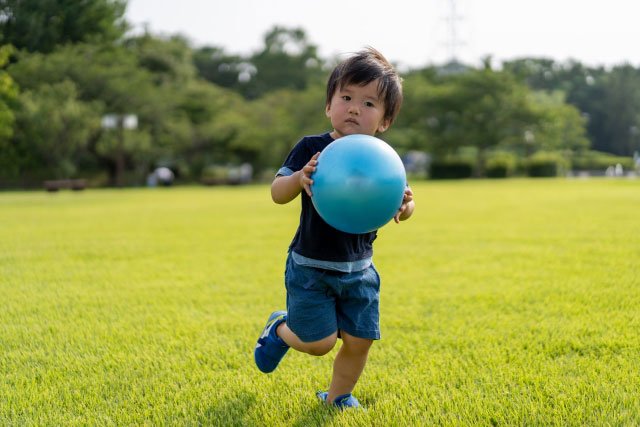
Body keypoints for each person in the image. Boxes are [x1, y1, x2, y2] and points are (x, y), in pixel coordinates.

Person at [253, 47, 415, 410]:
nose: (355, 108)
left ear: (385, 121)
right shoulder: (312, 148)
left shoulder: (382, 159)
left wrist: (406, 205)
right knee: (319, 343)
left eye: (369, 103)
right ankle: (280, 328)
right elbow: (278, 193)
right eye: (346, 97)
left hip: (360, 271)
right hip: (311, 267)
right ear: (329, 106)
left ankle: (338, 397)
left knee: (359, 341)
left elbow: (404, 202)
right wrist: (299, 177)